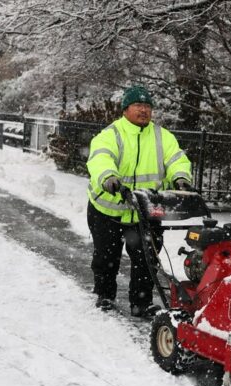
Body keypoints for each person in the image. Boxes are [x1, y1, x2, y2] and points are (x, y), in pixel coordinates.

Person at [86, 85, 194, 317]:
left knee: (146, 258)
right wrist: (109, 177)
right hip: (109, 210)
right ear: (126, 109)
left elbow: (177, 159)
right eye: (138, 106)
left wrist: (181, 177)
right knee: (107, 257)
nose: (144, 110)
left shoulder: (161, 136)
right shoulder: (111, 134)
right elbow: (101, 158)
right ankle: (105, 295)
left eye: (147, 106)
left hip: (145, 210)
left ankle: (141, 303)